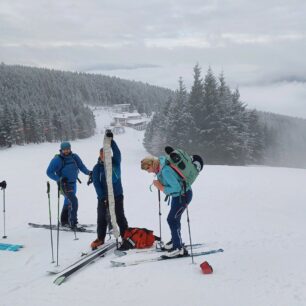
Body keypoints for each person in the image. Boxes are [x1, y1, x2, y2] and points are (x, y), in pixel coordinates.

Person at [141, 156, 193, 258]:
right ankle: (175, 241)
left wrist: (161, 187)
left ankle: (178, 248)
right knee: (174, 218)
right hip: (177, 196)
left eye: (147, 169)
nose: (148, 172)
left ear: (151, 165)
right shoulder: (160, 168)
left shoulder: (165, 171)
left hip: (183, 195)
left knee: (172, 219)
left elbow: (176, 187)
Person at [91, 131, 128, 250]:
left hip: (117, 195)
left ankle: (125, 237)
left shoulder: (115, 162)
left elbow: (117, 152)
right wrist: (102, 197)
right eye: (102, 155)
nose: (105, 156)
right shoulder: (97, 168)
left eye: (106, 154)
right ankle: (100, 238)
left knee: (119, 216)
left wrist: (111, 141)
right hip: (103, 197)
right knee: (101, 218)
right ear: (100, 155)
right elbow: (96, 184)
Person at [46, 141, 91, 230]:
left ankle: (64, 221)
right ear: (61, 150)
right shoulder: (57, 160)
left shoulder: (74, 157)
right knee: (73, 201)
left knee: (68, 201)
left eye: (68, 149)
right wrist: (59, 179)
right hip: (64, 184)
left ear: (70, 148)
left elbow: (81, 166)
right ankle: (73, 222)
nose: (66, 151)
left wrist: (89, 172)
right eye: (64, 150)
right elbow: (49, 172)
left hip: (73, 183)